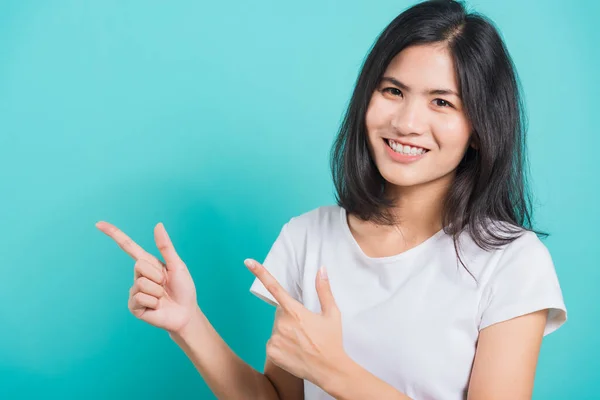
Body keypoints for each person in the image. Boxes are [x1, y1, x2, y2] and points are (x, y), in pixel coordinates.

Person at [96, 0, 567, 398]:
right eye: (393, 91)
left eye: (441, 102)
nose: (405, 122)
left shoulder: (511, 262)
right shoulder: (308, 237)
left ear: (481, 128)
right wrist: (188, 323)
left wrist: (332, 370)